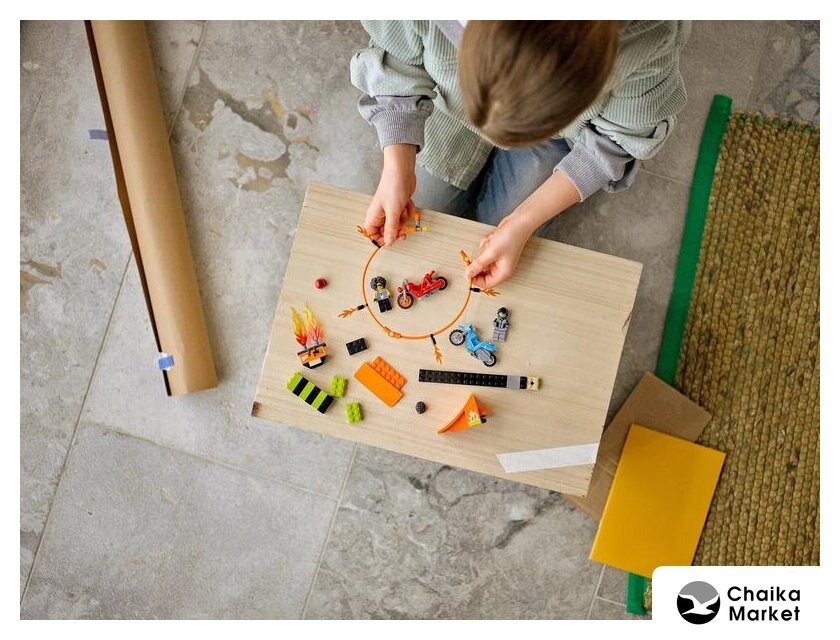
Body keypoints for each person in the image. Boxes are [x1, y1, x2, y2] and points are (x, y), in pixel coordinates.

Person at [350, 20, 689, 288]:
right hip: (447, 106)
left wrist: (523, 221)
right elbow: (395, 61)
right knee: (426, 209)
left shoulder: (649, 35)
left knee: (497, 229)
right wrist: (397, 165)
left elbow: (618, 140)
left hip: (559, 141)